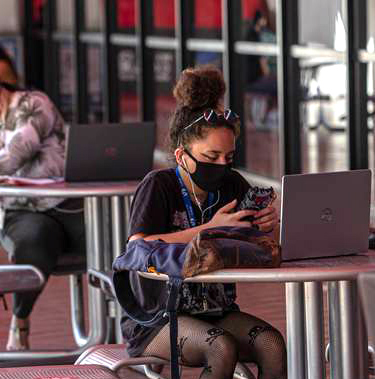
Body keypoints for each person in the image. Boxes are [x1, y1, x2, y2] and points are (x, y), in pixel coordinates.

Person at [123, 66, 287, 379]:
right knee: (221, 347)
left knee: (271, 343)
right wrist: (208, 229)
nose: (221, 167)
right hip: (158, 318)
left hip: (217, 310)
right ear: (182, 155)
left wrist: (266, 225)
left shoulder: (234, 185)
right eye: (211, 157)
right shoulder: (159, 186)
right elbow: (137, 247)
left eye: (228, 157)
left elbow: (254, 243)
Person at [0, 71, 85, 351]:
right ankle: (20, 319)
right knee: (35, 240)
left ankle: (131, 328)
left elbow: (18, 151)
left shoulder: (33, 103)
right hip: (21, 211)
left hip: (66, 203)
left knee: (113, 239)